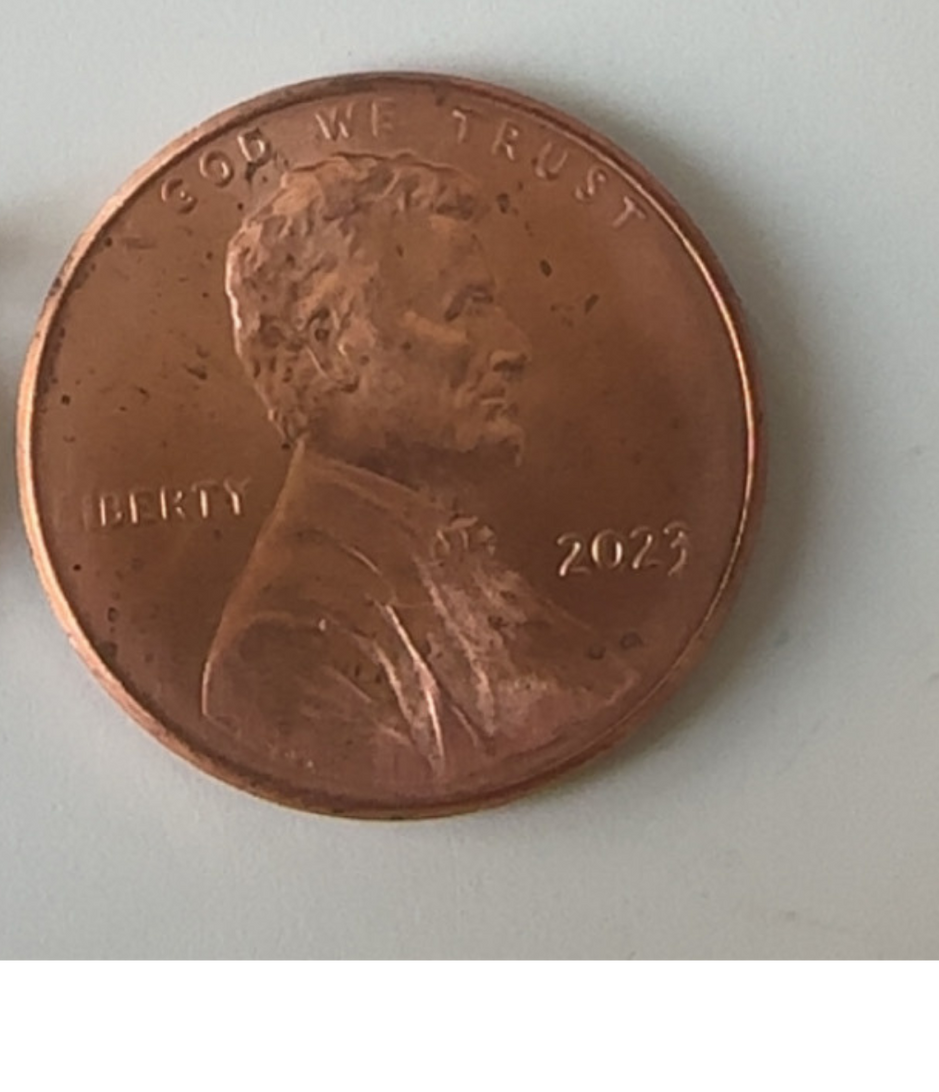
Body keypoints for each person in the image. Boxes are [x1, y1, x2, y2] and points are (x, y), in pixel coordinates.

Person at [201, 154, 635, 793]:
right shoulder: (283, 649)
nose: (514, 347)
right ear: (331, 345)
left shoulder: (463, 567)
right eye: (465, 309)